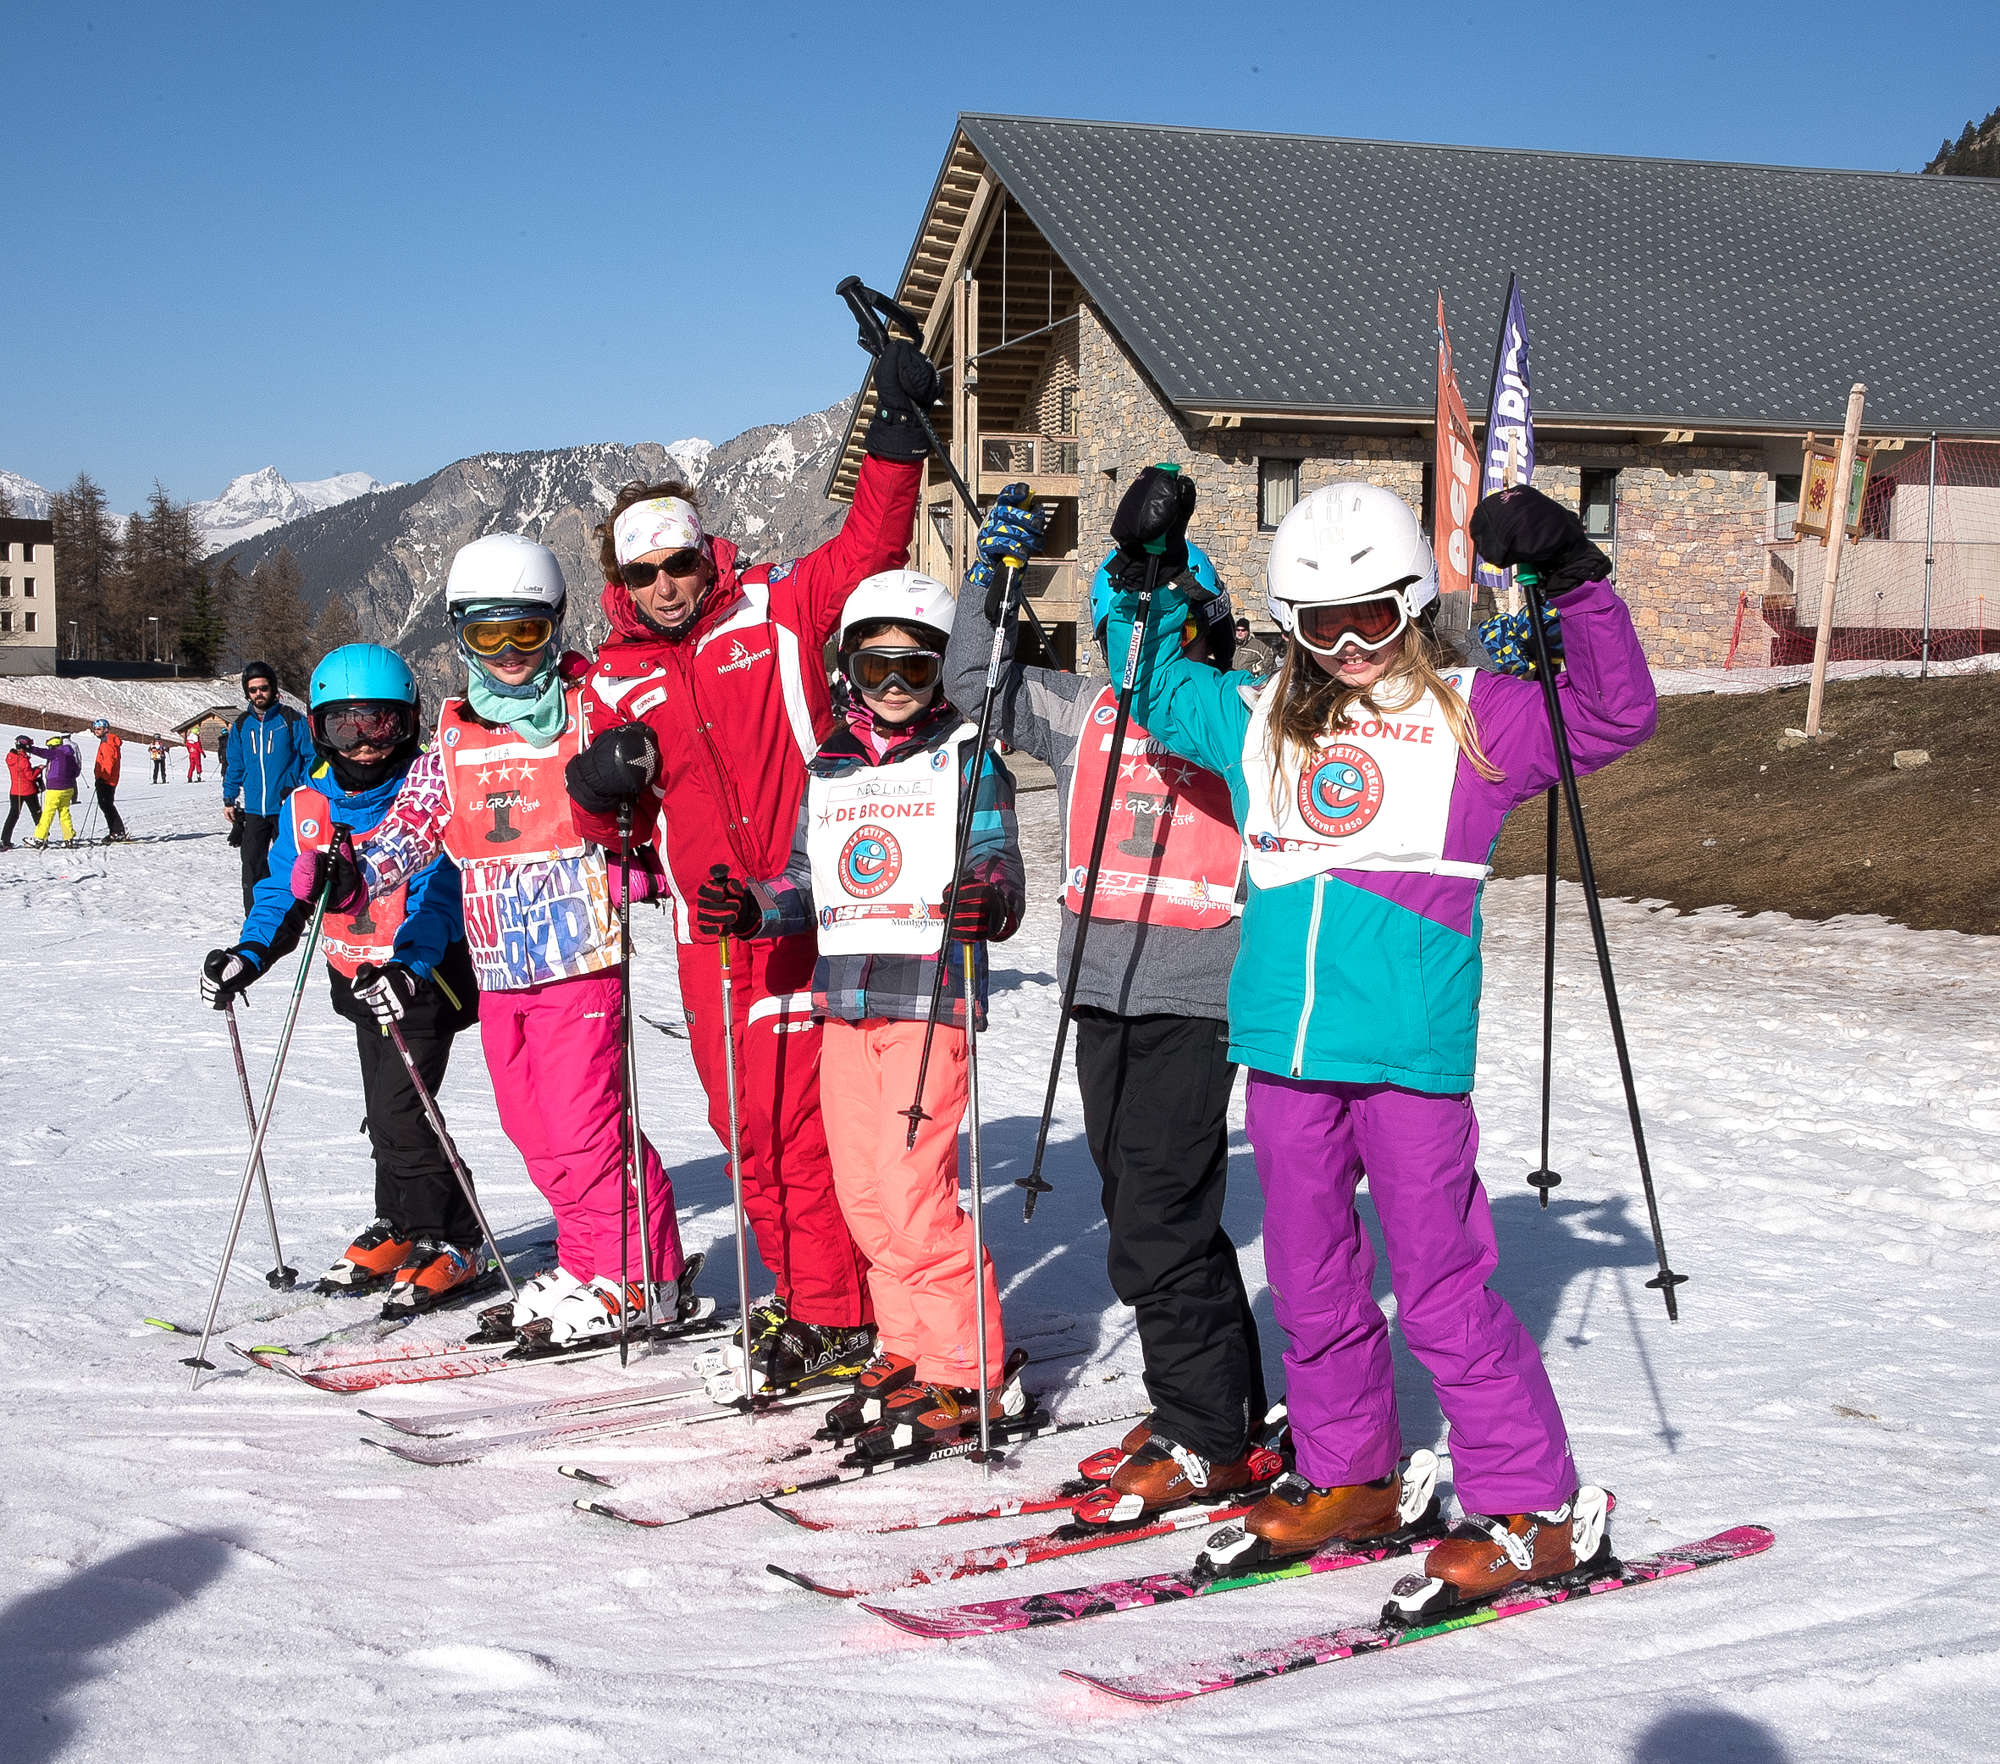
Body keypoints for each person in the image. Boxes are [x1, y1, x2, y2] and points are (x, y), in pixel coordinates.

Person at [1111, 476, 1654, 1616]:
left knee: (1444, 1292)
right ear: (1289, 627)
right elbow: (1155, 689)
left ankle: (1533, 1507)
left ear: (1410, 605)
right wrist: (1148, 580)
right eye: (1321, 623)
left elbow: (1609, 716)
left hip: (1407, 1059)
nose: (1349, 644)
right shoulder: (1257, 720)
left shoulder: (1474, 715)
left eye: (1372, 616)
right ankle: (1348, 1474)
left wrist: (1572, 582)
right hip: (1285, 1059)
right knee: (1309, 1287)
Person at [571, 336, 931, 1389]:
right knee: (747, 1133)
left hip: (804, 910)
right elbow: (621, 843)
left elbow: (868, 548)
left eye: (680, 561)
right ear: (620, 583)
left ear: (705, 552)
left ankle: (835, 1312)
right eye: (644, 572)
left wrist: (897, 432)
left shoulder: (773, 614)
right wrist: (597, 796)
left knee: (796, 1131)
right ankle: (812, 1298)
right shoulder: (613, 685)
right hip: (706, 936)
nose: (668, 584)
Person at [943, 483, 1274, 1517]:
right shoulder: (1081, 709)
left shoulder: (1240, 711)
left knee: (1161, 1221)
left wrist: (1174, 596)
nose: (1130, 642)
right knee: (1135, 1206)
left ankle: (1209, 1432)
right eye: (1117, 621)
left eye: (1152, 621)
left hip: (1192, 993)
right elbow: (974, 685)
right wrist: (989, 579)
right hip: (1099, 994)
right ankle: (1208, 1404)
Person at [307, 534, 687, 1348]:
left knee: (588, 1123)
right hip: (497, 965)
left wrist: (638, 813)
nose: (511, 654)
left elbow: (662, 789)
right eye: (488, 635)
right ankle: (591, 1263)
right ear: (461, 636)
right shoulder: (454, 731)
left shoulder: (595, 702)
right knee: (533, 1127)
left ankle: (640, 1276)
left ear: (554, 626)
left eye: (527, 633)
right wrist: (355, 873)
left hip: (580, 953)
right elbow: (411, 828)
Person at [696, 570, 1027, 1440]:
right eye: (874, 670)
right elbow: (811, 877)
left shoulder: (967, 754)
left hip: (929, 1000)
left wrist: (986, 902)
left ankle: (966, 1368)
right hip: (842, 1002)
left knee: (918, 1192)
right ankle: (910, 1341)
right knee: (867, 1196)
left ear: (938, 673)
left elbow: (1000, 865)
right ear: (847, 669)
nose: (891, 690)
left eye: (912, 673)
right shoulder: (832, 764)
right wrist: (756, 907)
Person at [203, 645, 486, 1308]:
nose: (363, 743)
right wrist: (247, 955)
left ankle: (457, 1235)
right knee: (385, 1111)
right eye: (345, 726)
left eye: (379, 724)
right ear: (319, 730)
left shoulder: (425, 803)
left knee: (399, 1111)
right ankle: (401, 1223)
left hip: (423, 982)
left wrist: (409, 967)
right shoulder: (307, 807)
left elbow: (436, 899)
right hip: (353, 983)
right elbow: (280, 893)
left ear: (408, 724)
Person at [223, 661, 312, 910]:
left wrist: (299, 787)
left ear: (273, 688)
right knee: (252, 867)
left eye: (263, 688)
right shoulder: (242, 725)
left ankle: (294, 914)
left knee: (291, 866)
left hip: (286, 808)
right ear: (246, 693)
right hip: (253, 810)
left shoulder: (291, 720)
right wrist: (229, 799)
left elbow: (312, 757)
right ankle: (255, 917)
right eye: (253, 690)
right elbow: (235, 764)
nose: (258, 694)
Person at [28, 733, 82, 846]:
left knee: (48, 813)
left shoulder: (56, 752)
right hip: (68, 789)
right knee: (64, 813)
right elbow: (76, 772)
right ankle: (69, 838)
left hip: (55, 789)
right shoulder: (69, 755)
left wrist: (29, 748)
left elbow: (41, 752)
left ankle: (39, 838)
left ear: (53, 746)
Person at [90, 720, 129, 841]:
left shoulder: (107, 743)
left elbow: (108, 761)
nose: (96, 731)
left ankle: (117, 831)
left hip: (107, 780)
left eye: (99, 728)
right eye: (95, 728)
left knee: (107, 806)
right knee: (106, 805)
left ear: (106, 729)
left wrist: (103, 778)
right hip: (108, 779)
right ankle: (116, 831)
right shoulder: (106, 741)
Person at [4, 735, 44, 849]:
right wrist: (39, 769)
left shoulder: (10, 757)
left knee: (13, 815)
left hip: (15, 791)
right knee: (37, 814)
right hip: (28, 791)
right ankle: (42, 837)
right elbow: (30, 776)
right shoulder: (23, 760)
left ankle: (5, 840)